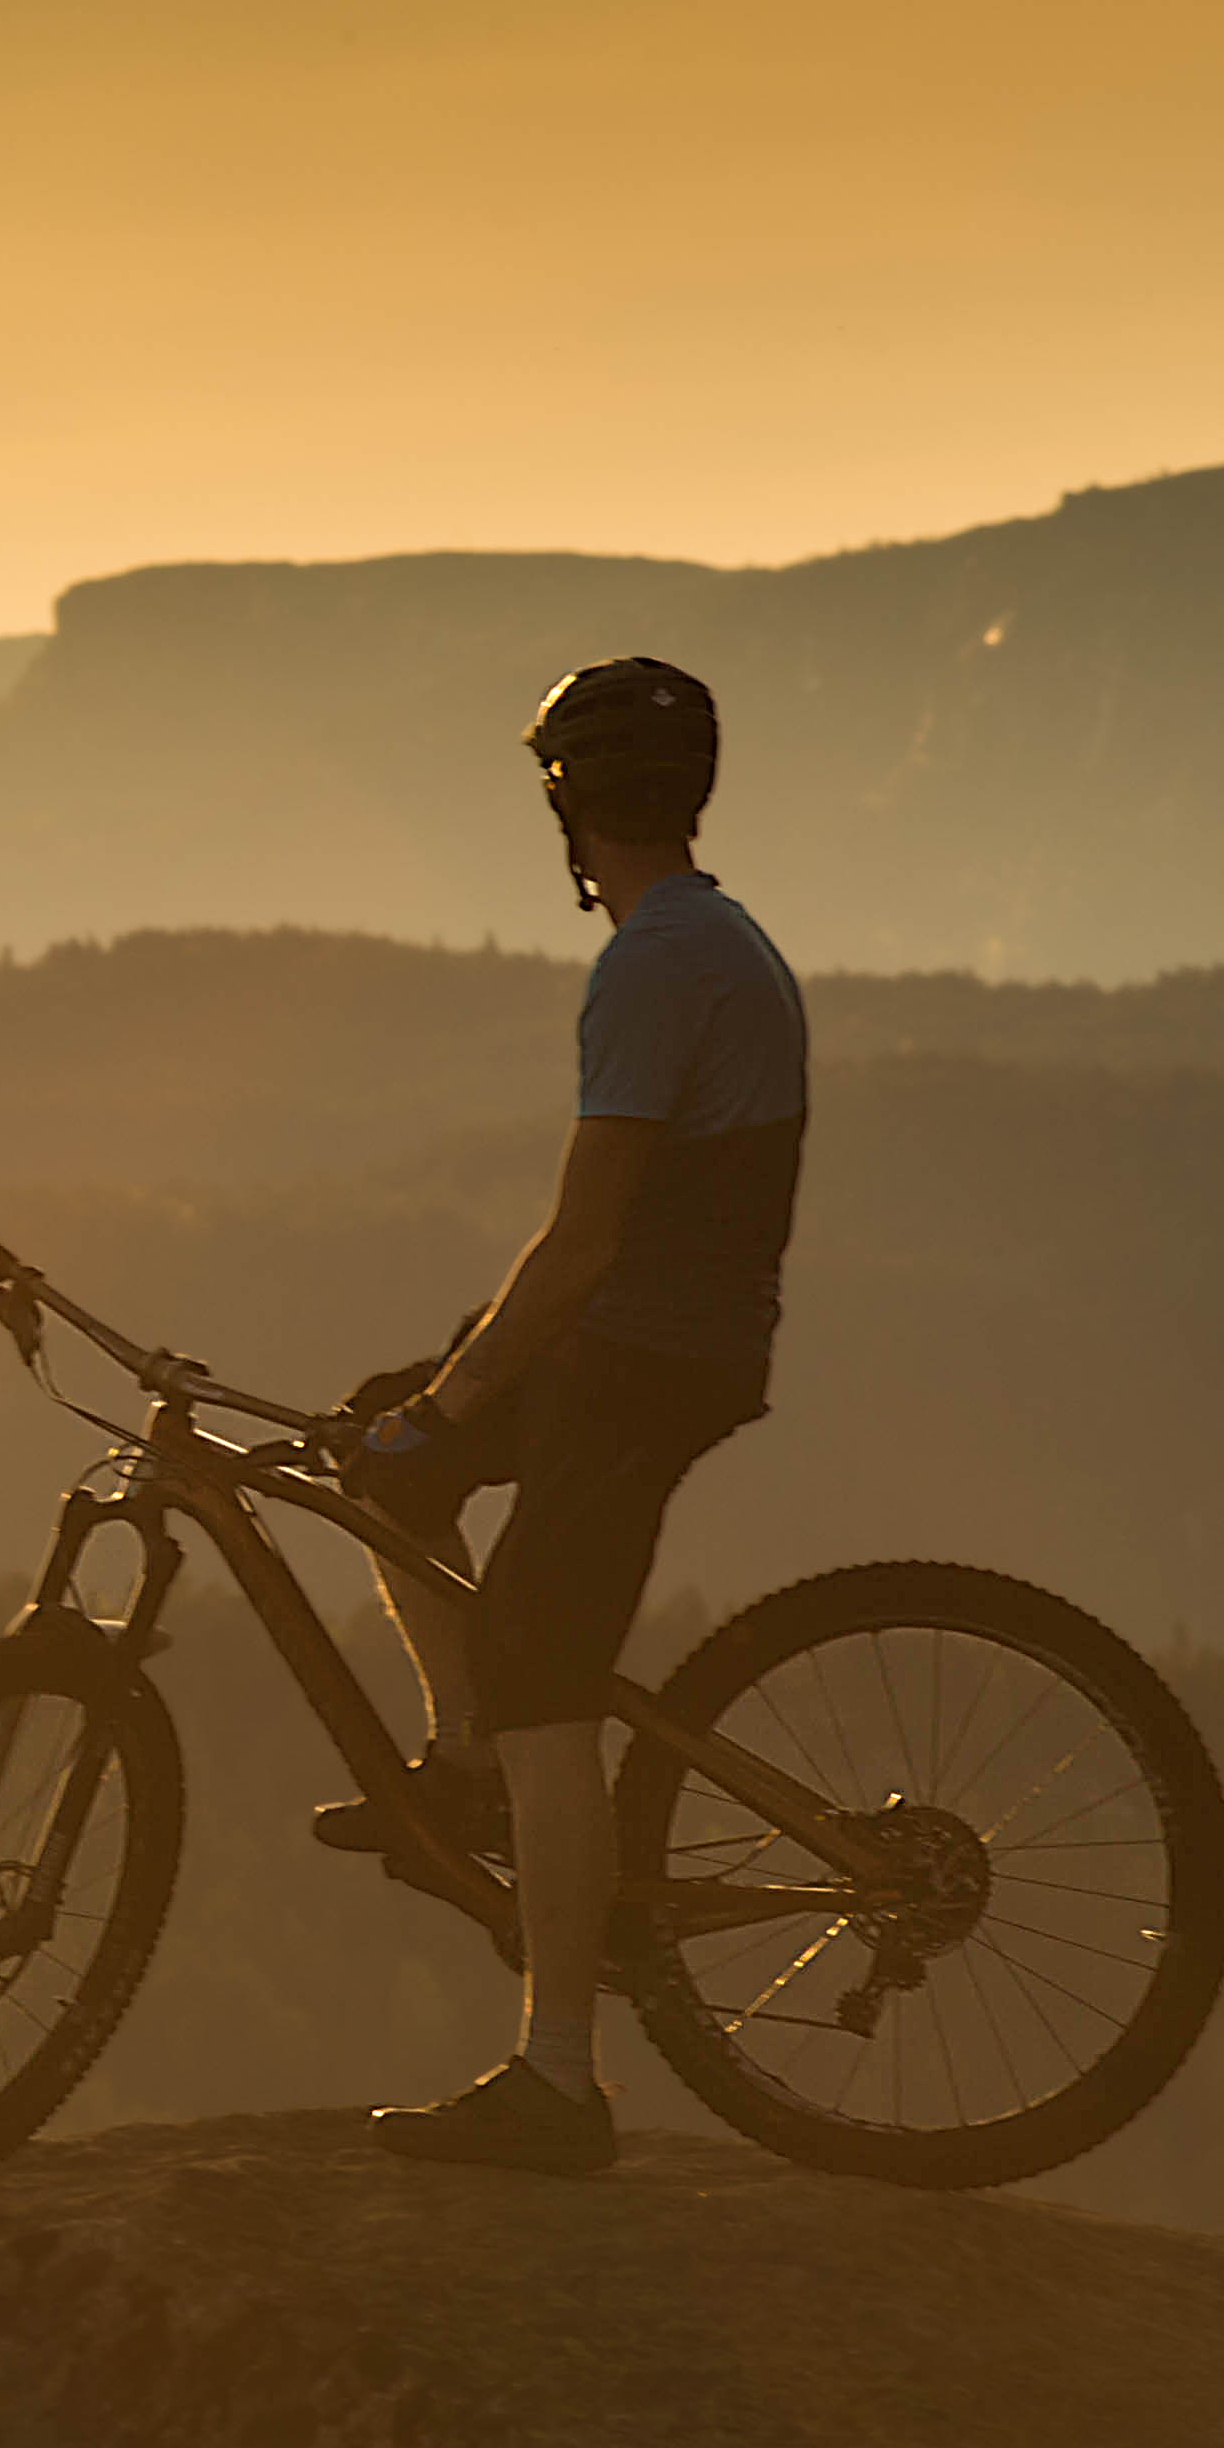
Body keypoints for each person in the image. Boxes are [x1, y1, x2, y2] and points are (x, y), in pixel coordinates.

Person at [322, 655, 806, 2176]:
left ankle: (557, 2079)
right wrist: (426, 1413)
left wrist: (458, 1396)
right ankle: (462, 1767)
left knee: (546, 1686)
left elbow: (585, 1240)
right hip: (649, 1341)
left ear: (566, 807)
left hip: (639, 1362)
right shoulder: (716, 940)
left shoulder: (651, 967)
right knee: (377, 1459)